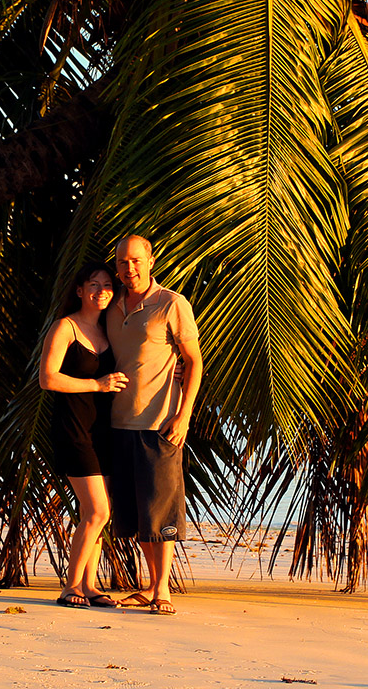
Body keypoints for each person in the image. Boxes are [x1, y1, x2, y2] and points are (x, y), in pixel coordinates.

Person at [106, 234, 203, 616]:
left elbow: (193, 361)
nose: (129, 268)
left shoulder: (171, 304)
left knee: (160, 510)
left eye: (135, 260)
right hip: (117, 423)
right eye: (122, 262)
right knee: (135, 513)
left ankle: (162, 589)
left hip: (160, 423)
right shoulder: (110, 307)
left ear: (150, 261)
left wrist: (184, 415)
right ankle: (150, 584)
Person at [39, 261, 129, 609]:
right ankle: (70, 587)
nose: (100, 291)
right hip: (73, 429)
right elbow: (48, 379)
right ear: (79, 290)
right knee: (97, 511)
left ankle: (89, 585)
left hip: (104, 431)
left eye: (107, 285)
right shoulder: (66, 328)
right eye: (93, 284)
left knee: (94, 513)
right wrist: (97, 384)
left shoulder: (111, 330)